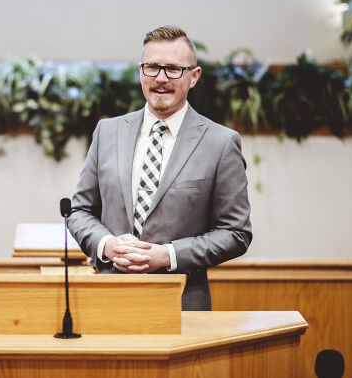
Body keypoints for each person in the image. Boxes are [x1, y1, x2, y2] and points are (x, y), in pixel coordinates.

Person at [67, 25, 252, 311]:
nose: (161, 79)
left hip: (181, 305)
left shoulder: (221, 143)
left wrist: (167, 254)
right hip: (107, 300)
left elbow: (235, 233)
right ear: (140, 71)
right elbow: (80, 211)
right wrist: (107, 245)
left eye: (173, 69)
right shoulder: (107, 132)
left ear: (194, 76)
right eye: (152, 67)